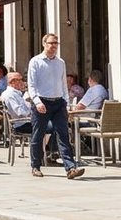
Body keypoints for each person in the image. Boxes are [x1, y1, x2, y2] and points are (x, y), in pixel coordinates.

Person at [26, 33, 85, 179]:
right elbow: (31, 85)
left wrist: (66, 102)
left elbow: (63, 84)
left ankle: (70, 168)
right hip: (42, 101)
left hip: (58, 102)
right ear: (44, 44)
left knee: (63, 134)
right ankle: (35, 166)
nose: (54, 46)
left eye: (56, 43)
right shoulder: (35, 61)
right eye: (51, 43)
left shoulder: (61, 63)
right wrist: (37, 102)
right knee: (38, 135)